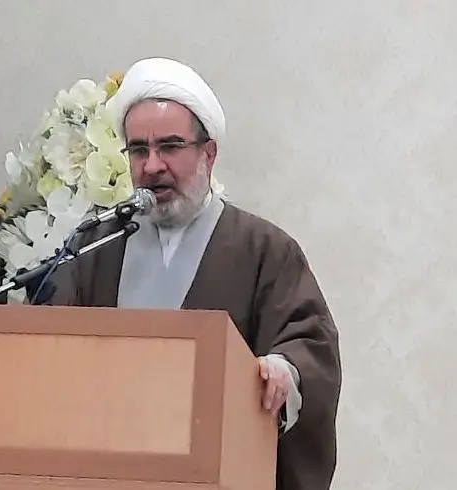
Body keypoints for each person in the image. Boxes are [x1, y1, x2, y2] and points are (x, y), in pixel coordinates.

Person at [34, 57, 342, 490]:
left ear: (208, 154)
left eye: (170, 147)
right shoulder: (96, 247)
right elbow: (50, 349)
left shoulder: (263, 249)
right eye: (139, 150)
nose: (152, 165)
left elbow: (309, 342)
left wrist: (283, 371)